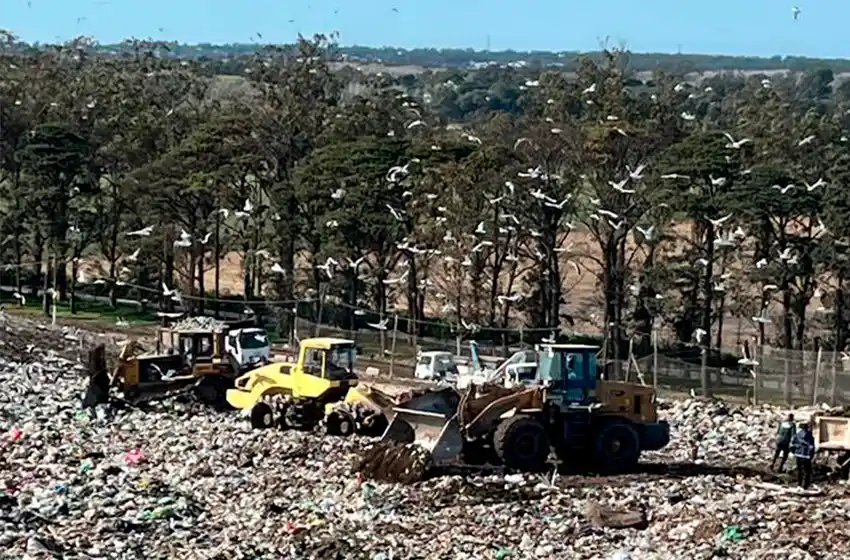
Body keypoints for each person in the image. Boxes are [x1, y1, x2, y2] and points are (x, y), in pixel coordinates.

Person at [793, 422, 815, 489]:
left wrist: (795, 452)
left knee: (799, 470)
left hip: (798, 454)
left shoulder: (797, 435)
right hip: (806, 455)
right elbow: (811, 447)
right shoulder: (809, 435)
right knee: (807, 471)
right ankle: (805, 486)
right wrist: (811, 455)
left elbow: (792, 444)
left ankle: (799, 484)